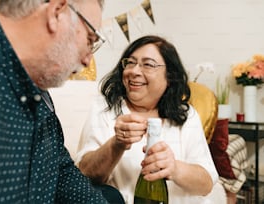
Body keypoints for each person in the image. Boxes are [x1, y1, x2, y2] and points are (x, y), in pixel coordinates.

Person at [0, 0, 125, 203]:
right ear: (57, 12)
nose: (88, 60)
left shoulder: (39, 94)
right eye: (90, 39)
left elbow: (60, 171)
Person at [75, 35, 220, 203]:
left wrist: (174, 168)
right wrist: (117, 144)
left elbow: (206, 184)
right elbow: (83, 176)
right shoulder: (105, 109)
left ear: (170, 77)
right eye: (130, 62)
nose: (134, 71)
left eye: (148, 64)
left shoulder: (185, 115)